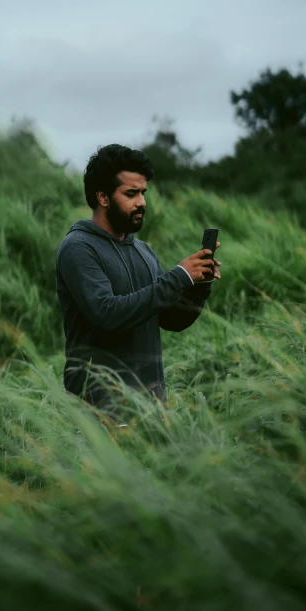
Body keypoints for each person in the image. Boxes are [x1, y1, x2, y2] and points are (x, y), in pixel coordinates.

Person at [55, 144, 221, 421]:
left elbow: (170, 320)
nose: (142, 201)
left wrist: (198, 286)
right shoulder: (78, 248)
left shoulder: (143, 250)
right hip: (99, 408)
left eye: (143, 193)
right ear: (103, 197)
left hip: (151, 407)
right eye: (131, 194)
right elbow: (106, 314)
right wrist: (178, 275)